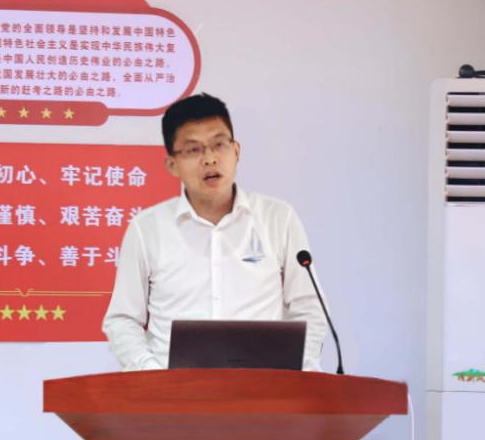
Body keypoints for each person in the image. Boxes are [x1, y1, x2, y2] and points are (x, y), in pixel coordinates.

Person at [102, 93, 330, 371]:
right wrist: (153, 375)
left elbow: (309, 307)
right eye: (193, 150)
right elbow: (123, 320)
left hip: (265, 387)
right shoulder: (146, 228)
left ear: (236, 151)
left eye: (219, 144)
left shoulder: (277, 218)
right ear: (172, 165)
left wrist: (300, 374)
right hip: (174, 390)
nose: (210, 159)